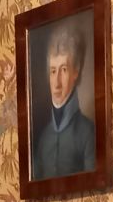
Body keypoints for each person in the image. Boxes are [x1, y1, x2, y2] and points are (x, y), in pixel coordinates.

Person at [30, 22, 96, 180]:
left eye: (64, 70)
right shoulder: (44, 138)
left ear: (76, 72)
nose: (57, 83)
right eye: (53, 71)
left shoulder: (88, 133)